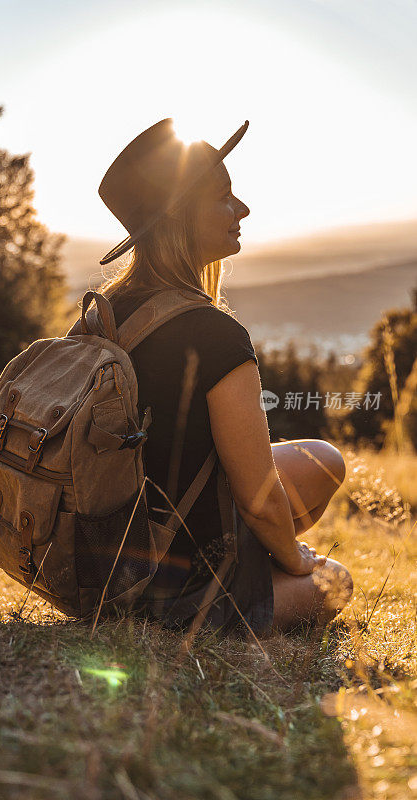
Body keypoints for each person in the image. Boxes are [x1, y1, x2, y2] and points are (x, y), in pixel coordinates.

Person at [92, 117, 353, 637]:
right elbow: (256, 496)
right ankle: (219, 591)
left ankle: (238, 567)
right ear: (178, 218)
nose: (243, 209)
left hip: (103, 561)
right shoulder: (212, 333)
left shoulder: (101, 315)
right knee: (336, 582)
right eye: (223, 197)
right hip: (166, 587)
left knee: (323, 461)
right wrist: (296, 561)